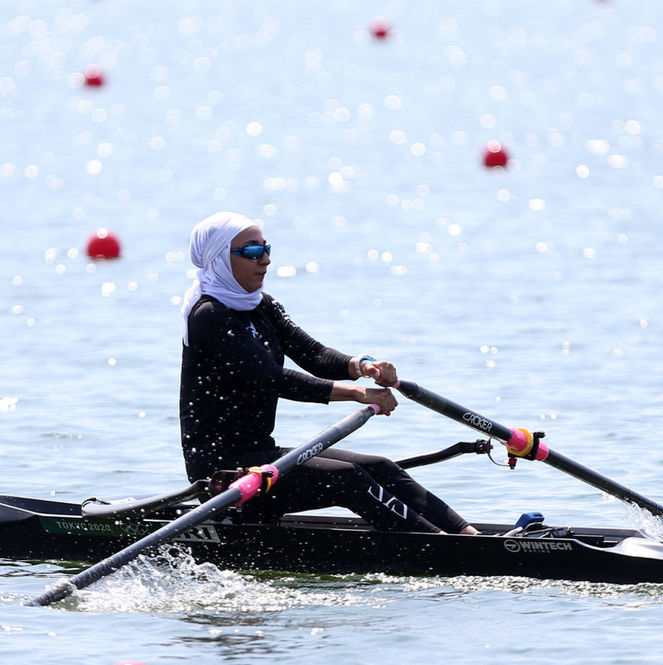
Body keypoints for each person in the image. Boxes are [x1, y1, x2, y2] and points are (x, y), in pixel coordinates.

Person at [179, 211, 481, 535]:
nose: (264, 259)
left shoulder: (262, 305)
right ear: (220, 259)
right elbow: (271, 378)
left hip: (262, 456)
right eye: (252, 251)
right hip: (223, 476)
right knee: (345, 477)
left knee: (380, 467)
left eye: (267, 249)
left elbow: (314, 354)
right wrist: (355, 393)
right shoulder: (209, 316)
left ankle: (468, 537)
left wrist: (364, 366)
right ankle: (438, 546)